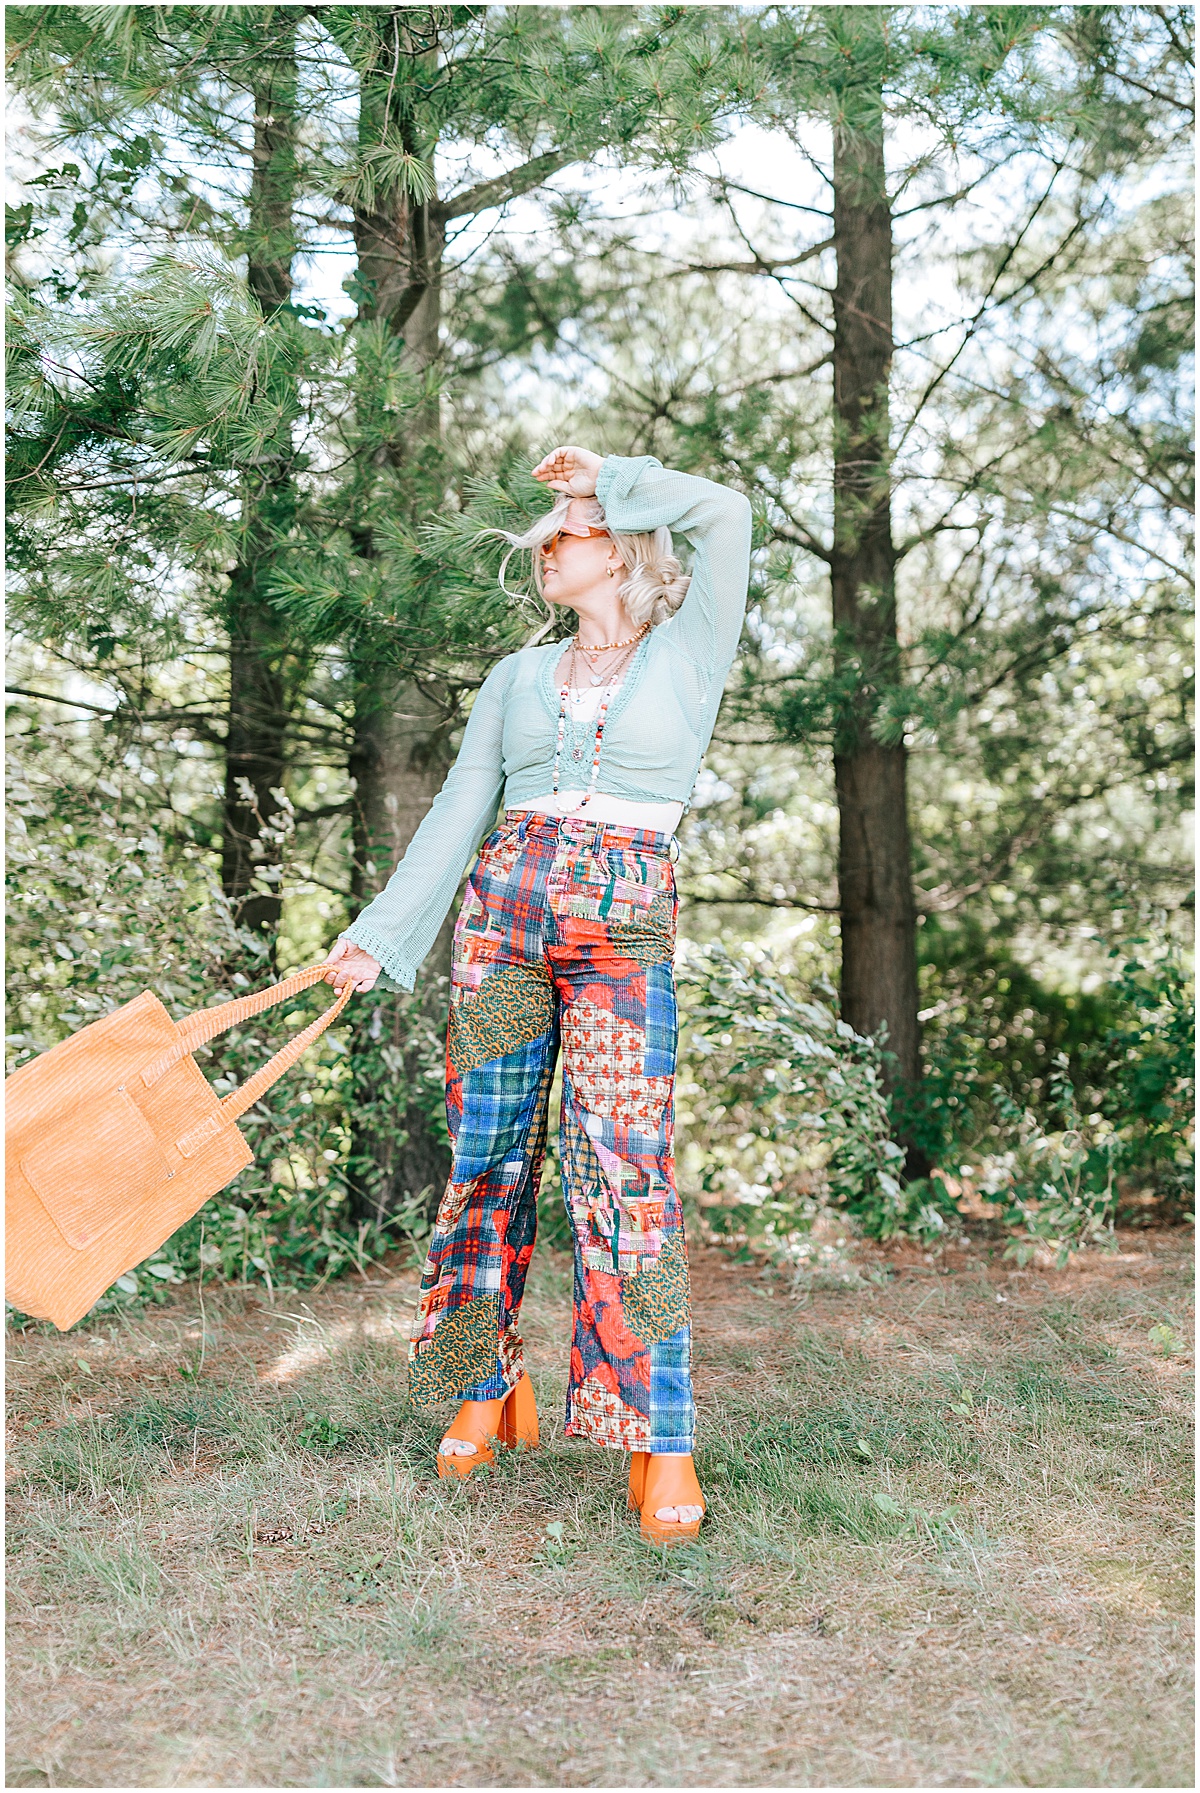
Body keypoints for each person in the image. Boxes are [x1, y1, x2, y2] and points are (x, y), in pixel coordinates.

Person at [321, 445, 752, 1543]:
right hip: (501, 919)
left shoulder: (690, 649)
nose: (549, 550)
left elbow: (728, 509)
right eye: (551, 534)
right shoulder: (516, 676)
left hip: (621, 922)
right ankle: (486, 1388)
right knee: (487, 1159)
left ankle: (661, 1438)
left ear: (619, 545)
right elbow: (464, 803)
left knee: (625, 1172)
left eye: (567, 532)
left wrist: (608, 472)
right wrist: (380, 936)